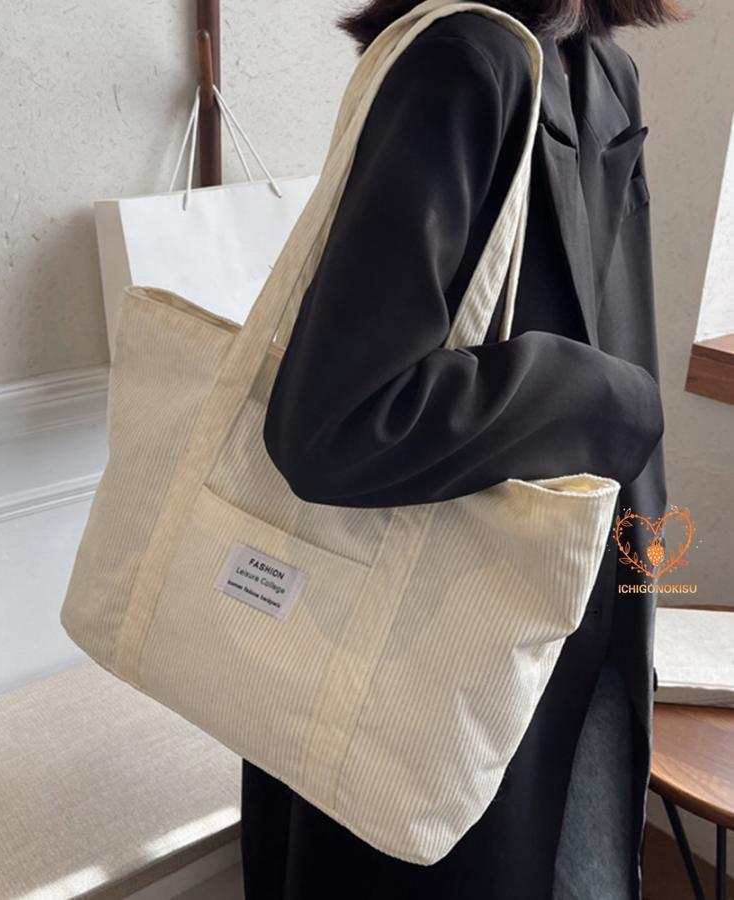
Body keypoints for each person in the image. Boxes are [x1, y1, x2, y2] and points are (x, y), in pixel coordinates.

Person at [240, 1, 689, 897]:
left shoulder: (603, 70)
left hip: (587, 606)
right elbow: (334, 422)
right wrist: (612, 397)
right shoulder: (460, 62)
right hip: (443, 637)